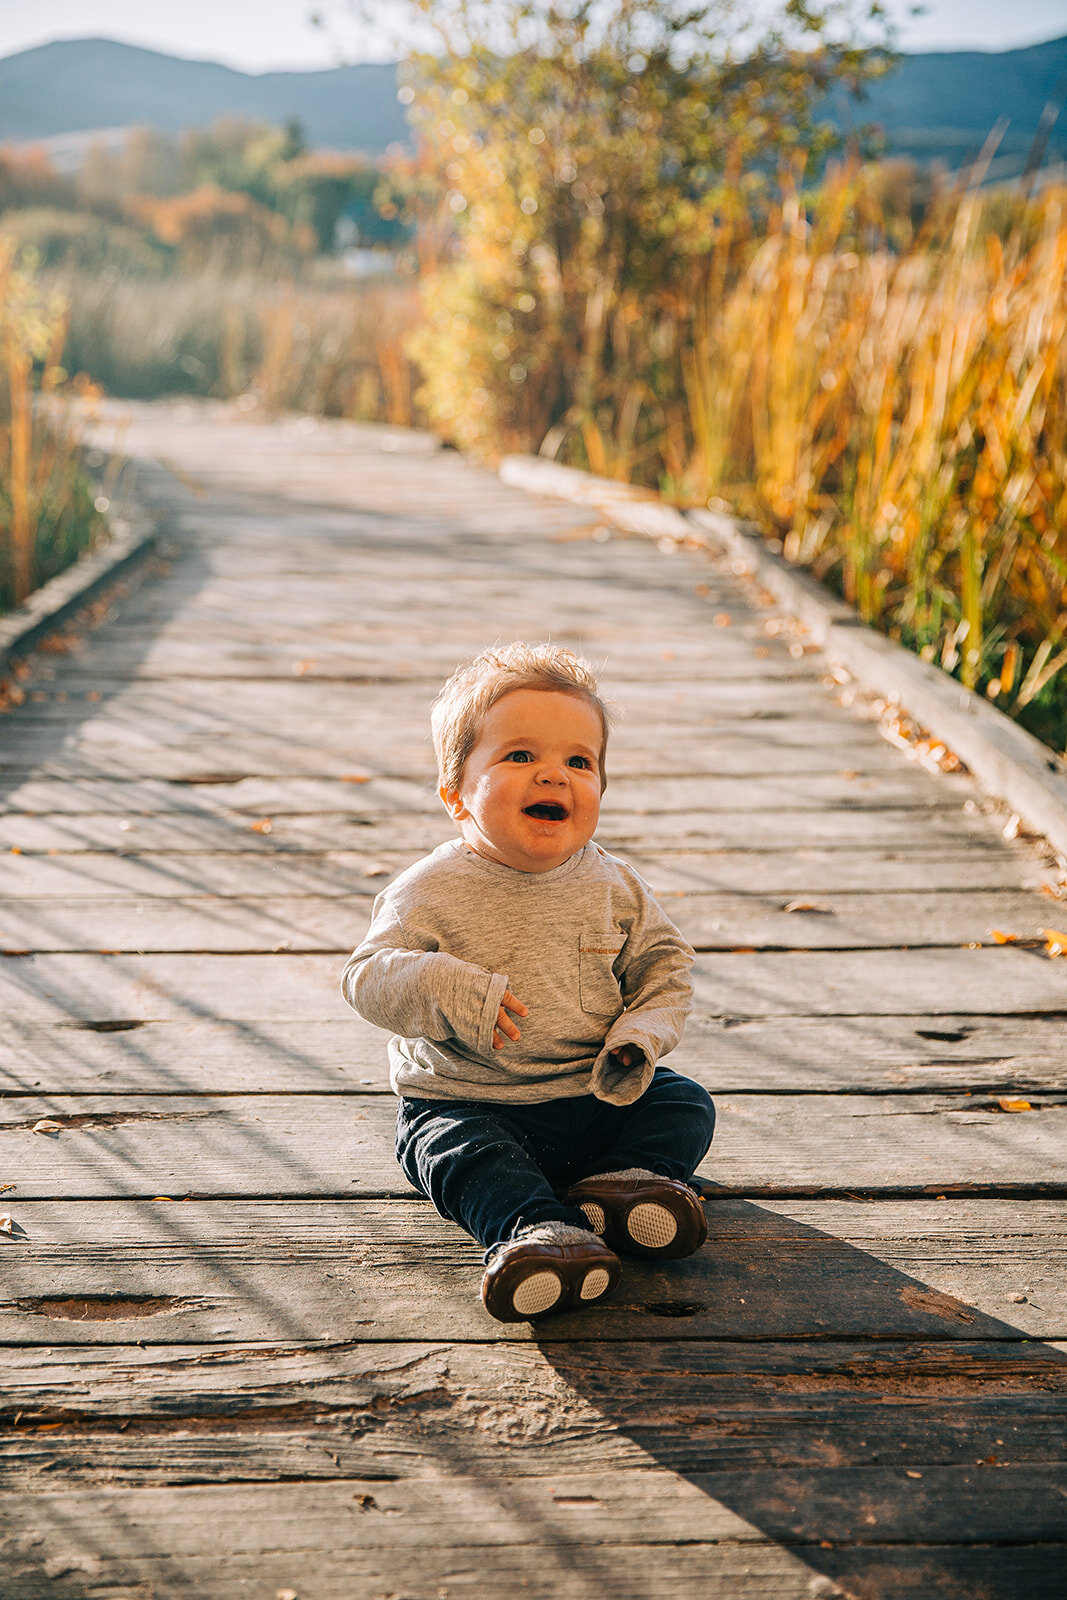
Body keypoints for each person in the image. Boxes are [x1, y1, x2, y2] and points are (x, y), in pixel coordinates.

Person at [341, 642, 715, 1322]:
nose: (554, 775)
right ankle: (535, 1233)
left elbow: (665, 966)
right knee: (449, 1150)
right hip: (470, 1097)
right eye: (519, 756)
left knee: (683, 1104)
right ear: (456, 794)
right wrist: (445, 985)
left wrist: (638, 1035)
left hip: (591, 1088)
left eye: (579, 761)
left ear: (601, 785)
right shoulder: (429, 890)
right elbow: (366, 978)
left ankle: (623, 1185)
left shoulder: (613, 884)